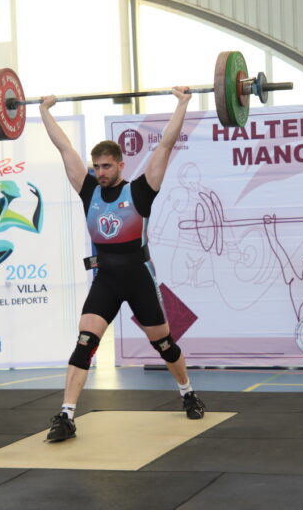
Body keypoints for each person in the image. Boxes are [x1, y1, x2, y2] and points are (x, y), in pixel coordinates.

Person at [39, 87, 205, 442]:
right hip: (106, 280)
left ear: (120, 165)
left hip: (139, 279)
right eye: (96, 166)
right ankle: (66, 416)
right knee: (85, 342)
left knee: (164, 346)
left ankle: (187, 392)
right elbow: (64, 148)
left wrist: (183, 103)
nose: (99, 172)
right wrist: (44, 111)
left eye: (106, 166)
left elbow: (165, 146)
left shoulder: (141, 190)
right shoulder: (88, 191)